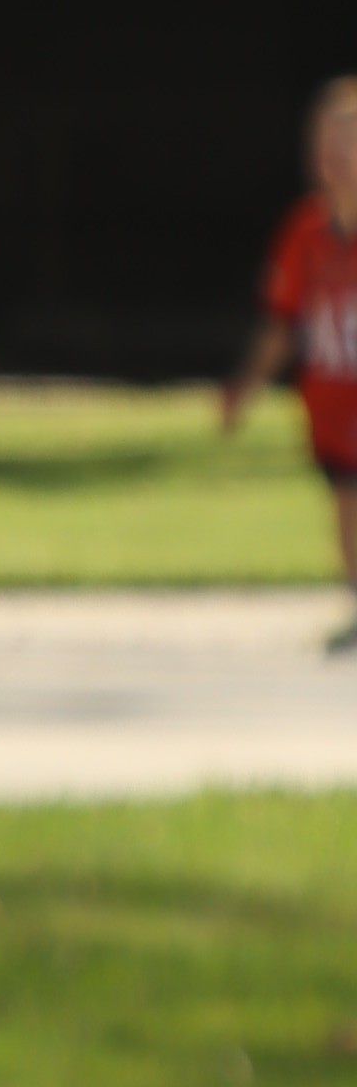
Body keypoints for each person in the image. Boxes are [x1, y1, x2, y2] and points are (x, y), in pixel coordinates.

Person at [222, 69, 357, 651]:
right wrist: (245, 386)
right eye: (325, 143)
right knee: (346, 503)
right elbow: (282, 321)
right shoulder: (305, 232)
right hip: (331, 402)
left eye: (348, 142)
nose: (335, 156)